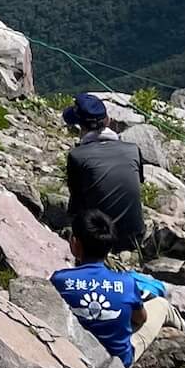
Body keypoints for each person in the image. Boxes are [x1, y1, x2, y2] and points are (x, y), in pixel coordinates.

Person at [51, 209, 175, 368]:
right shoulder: (126, 283)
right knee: (161, 304)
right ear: (109, 248)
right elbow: (141, 319)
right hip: (116, 364)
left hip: (72, 356)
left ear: (75, 243)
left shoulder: (60, 280)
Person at [64, 93, 147, 252]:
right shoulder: (132, 150)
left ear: (79, 126)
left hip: (98, 242)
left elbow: (76, 201)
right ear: (108, 120)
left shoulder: (77, 156)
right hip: (135, 237)